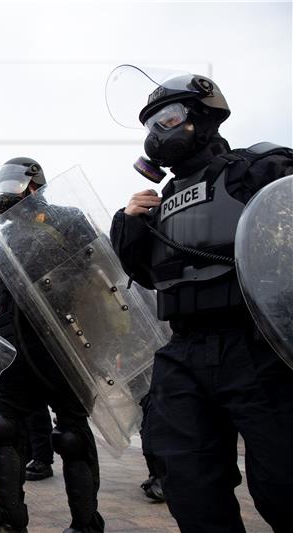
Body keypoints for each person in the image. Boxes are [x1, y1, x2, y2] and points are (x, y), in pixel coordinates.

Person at [109, 69, 293, 532]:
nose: (157, 133)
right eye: (151, 125)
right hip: (184, 349)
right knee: (185, 478)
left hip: (256, 343)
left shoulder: (259, 169)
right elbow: (147, 276)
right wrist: (129, 224)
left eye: (167, 118)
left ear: (203, 116)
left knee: (284, 482)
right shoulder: (155, 204)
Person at [0, 157, 104, 533]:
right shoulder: (4, 234)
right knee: (0, 426)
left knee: (70, 433)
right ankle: (8, 521)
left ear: (33, 185)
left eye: (11, 185)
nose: (4, 195)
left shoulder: (68, 218)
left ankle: (85, 523)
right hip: (14, 343)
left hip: (59, 340)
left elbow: (97, 273)